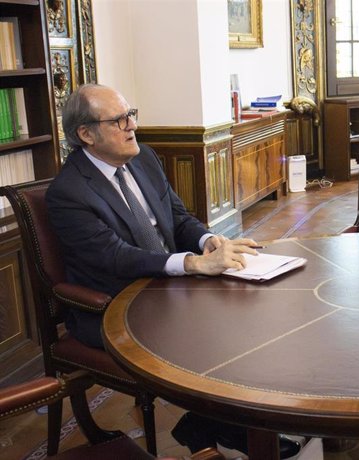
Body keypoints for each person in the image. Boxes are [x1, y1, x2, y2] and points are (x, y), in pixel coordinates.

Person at [46, 83, 259, 349]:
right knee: (210, 340)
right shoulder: (69, 192)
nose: (132, 125)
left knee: (244, 315)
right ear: (86, 134)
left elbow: (178, 217)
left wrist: (207, 241)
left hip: (170, 287)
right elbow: (116, 257)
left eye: (131, 114)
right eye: (118, 120)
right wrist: (192, 264)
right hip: (118, 304)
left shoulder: (144, 158)